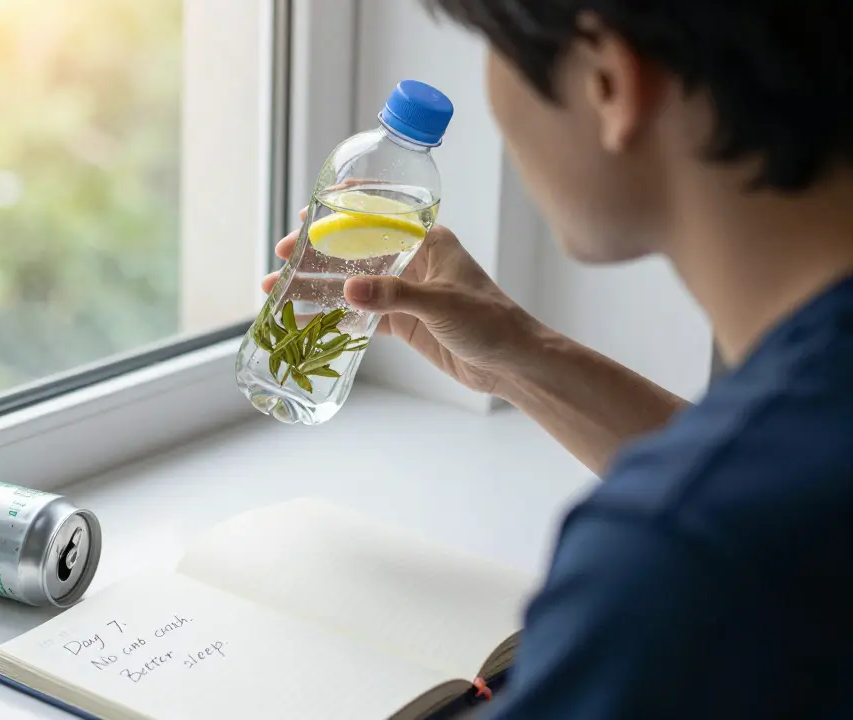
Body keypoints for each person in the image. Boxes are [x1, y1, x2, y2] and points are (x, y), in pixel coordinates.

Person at [265, 1, 853, 717]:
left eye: (493, 53)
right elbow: (773, 485)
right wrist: (518, 354)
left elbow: (719, 520)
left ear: (609, 81)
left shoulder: (665, 561)